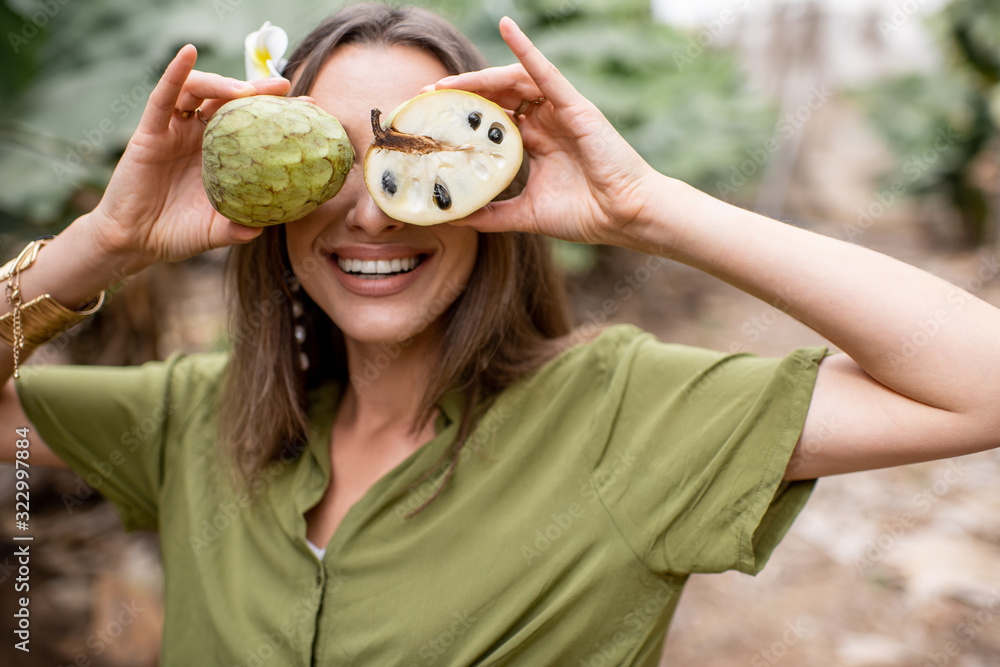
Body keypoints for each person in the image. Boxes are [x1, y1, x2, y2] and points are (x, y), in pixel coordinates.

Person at [2, 3, 999, 665]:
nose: (375, 213)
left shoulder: (622, 415)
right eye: (331, 160)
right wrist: (101, 246)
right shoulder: (190, 416)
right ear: (276, 199)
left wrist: (648, 209)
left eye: (409, 156)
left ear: (493, 183)